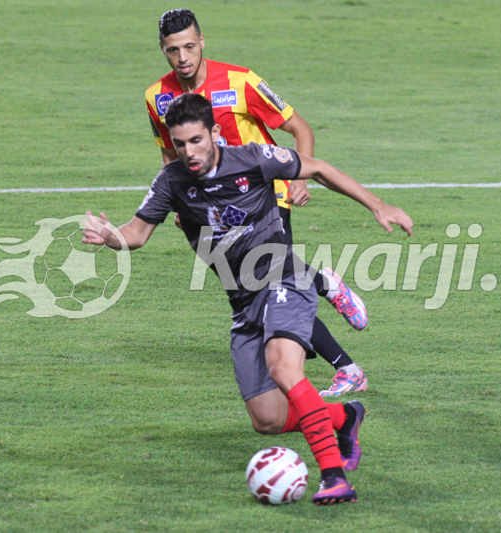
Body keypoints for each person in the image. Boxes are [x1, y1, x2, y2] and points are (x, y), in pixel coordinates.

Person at [83, 93, 413, 504]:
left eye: (197, 141)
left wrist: (379, 206)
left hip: (283, 277)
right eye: (180, 144)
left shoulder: (254, 158)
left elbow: (320, 169)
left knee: (283, 368)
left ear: (215, 134)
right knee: (268, 420)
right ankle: (344, 417)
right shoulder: (171, 182)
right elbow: (136, 233)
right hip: (243, 303)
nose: (189, 152)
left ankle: (333, 476)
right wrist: (109, 237)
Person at [145, 8, 366, 396]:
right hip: (208, 208)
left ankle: (346, 366)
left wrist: (299, 180)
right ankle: (323, 286)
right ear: (162, 50)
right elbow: (169, 154)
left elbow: (299, 128)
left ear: (202, 42)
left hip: (264, 193)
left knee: (270, 283)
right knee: (258, 290)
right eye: (173, 50)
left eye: (189, 47)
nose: (182, 58)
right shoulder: (156, 97)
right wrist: (178, 202)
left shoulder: (240, 81)